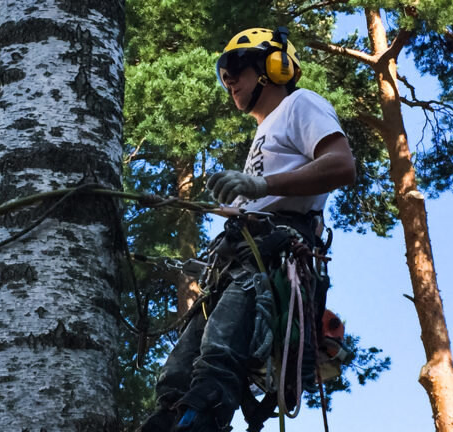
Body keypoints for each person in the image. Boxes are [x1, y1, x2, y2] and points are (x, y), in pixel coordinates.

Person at [138, 27, 356, 432]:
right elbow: (254, 207)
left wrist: (263, 185)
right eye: (225, 75)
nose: (230, 81)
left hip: (269, 261)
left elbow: (342, 164)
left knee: (216, 368)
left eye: (236, 68)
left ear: (274, 66)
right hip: (239, 262)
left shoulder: (300, 105)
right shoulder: (263, 133)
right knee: (175, 380)